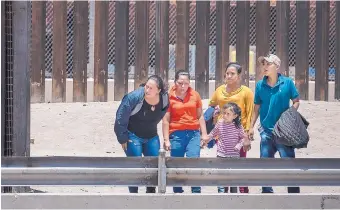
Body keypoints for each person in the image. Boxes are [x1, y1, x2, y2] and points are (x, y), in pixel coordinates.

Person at [248, 54, 300, 194]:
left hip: (284, 131)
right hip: (266, 131)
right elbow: (257, 107)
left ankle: (294, 195)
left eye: (268, 64)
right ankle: (267, 193)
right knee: (265, 164)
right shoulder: (260, 85)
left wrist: (289, 115)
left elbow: (296, 101)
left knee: (289, 163)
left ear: (276, 67)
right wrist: (251, 127)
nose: (264, 67)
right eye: (263, 64)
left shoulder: (288, 83)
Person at [114, 75, 169, 193]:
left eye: (151, 88)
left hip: (152, 136)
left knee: (155, 166)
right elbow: (120, 117)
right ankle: (133, 196)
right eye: (146, 87)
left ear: (159, 90)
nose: (147, 90)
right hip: (133, 136)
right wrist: (122, 137)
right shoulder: (134, 97)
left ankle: (151, 195)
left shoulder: (164, 99)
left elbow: (162, 113)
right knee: (135, 167)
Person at [208, 62, 254, 193]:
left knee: (239, 167)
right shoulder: (219, 91)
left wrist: (247, 135)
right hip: (222, 135)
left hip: (239, 136)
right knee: (223, 168)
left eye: (232, 73)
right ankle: (223, 195)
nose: (228, 76)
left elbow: (250, 113)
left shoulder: (246, 92)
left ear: (239, 76)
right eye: (227, 73)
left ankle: (243, 195)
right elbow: (212, 106)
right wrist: (215, 112)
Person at [162, 70, 209, 194]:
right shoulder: (168, 97)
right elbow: (166, 120)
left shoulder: (195, 95)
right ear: (175, 82)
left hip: (193, 133)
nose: (183, 86)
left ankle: (196, 191)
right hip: (176, 134)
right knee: (176, 164)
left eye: (186, 83)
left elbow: (200, 116)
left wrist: (204, 134)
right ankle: (178, 192)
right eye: (180, 83)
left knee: (194, 161)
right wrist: (166, 140)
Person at [204, 103, 251, 193]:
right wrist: (206, 140)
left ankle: (233, 197)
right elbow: (213, 133)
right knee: (221, 177)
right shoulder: (220, 123)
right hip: (221, 154)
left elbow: (243, 138)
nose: (225, 116)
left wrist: (238, 146)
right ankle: (222, 196)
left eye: (228, 114)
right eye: (224, 113)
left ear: (235, 116)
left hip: (233, 156)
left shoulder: (238, 126)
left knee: (232, 178)